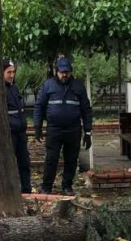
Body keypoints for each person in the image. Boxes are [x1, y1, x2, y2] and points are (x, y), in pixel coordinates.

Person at [33, 56, 92, 195]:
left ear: (71, 71)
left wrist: (88, 132)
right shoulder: (48, 85)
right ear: (57, 71)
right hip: (54, 130)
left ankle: (67, 186)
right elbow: (39, 107)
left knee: (71, 160)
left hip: (73, 130)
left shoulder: (78, 86)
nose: (65, 75)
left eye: (67, 72)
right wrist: (37, 127)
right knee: (51, 159)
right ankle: (46, 187)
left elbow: (86, 110)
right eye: (62, 72)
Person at [4, 59, 32, 194]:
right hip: (9, 133)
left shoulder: (14, 88)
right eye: (9, 72)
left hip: (20, 132)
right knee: (9, 164)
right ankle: (9, 191)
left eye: (13, 72)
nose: (12, 75)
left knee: (24, 162)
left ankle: (26, 189)